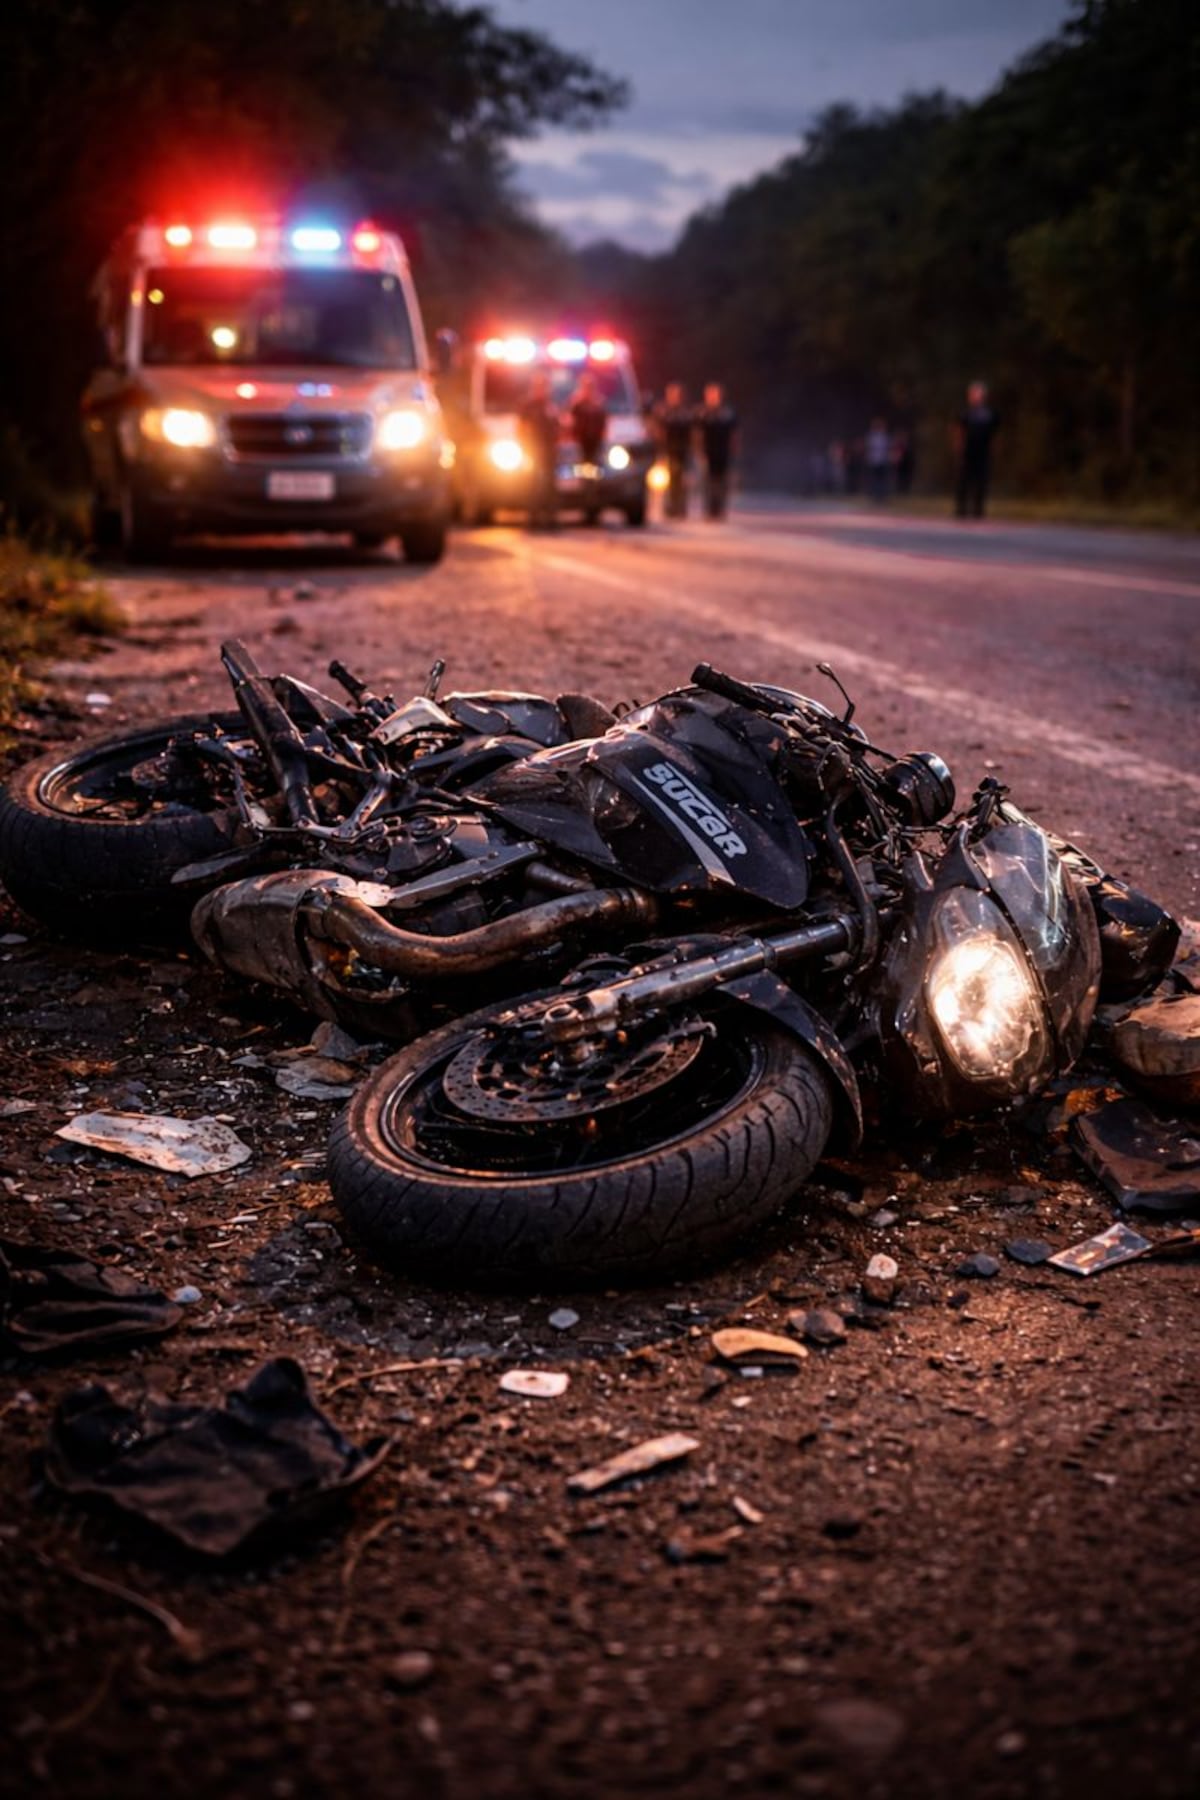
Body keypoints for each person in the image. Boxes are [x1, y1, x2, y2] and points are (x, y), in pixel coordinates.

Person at [518, 371, 561, 530]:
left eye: (544, 386)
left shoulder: (551, 406)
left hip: (549, 450)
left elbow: (558, 426)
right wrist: (525, 447)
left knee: (550, 485)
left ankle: (550, 518)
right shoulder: (528, 406)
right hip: (533, 449)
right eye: (539, 386)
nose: (542, 390)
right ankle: (533, 518)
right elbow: (521, 427)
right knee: (532, 485)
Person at [954, 381, 999, 518]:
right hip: (968, 452)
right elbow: (959, 431)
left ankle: (978, 509)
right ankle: (961, 509)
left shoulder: (989, 414)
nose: (975, 397)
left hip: (983, 452)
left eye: (978, 394)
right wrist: (959, 448)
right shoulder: (965, 413)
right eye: (973, 394)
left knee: (981, 481)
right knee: (963, 480)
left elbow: (995, 434)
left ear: (983, 397)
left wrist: (993, 450)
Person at [696, 382, 738, 519]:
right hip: (708, 452)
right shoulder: (702, 413)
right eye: (711, 395)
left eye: (716, 395)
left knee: (722, 482)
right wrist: (699, 451)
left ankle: (720, 509)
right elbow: (697, 434)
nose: (714, 398)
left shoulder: (728, 413)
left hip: (723, 452)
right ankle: (709, 510)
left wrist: (734, 449)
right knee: (708, 482)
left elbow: (734, 433)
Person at [654, 382, 694, 519]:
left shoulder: (686, 413)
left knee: (682, 480)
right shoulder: (663, 412)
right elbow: (658, 431)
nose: (674, 397)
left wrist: (693, 448)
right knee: (667, 481)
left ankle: (681, 507)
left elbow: (693, 432)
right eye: (671, 394)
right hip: (668, 450)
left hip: (683, 451)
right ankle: (669, 506)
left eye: (677, 395)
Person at [568, 371, 608, 466]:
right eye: (586, 387)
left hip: (596, 442)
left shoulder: (598, 405)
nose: (588, 390)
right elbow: (570, 421)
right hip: (580, 443)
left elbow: (604, 423)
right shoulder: (576, 405)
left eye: (590, 387)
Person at [865, 417, 891, 503]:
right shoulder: (872, 437)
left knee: (882, 479)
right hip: (875, 461)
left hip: (882, 461)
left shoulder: (884, 436)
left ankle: (882, 496)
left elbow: (888, 448)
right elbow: (869, 449)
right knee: (875, 479)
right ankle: (875, 496)